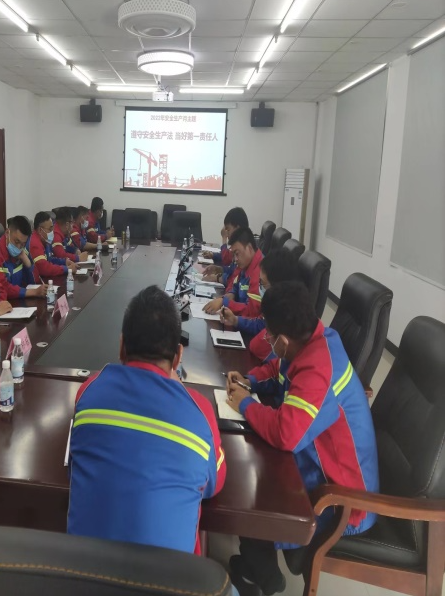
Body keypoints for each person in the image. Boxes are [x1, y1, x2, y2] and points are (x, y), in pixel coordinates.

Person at [224, 282, 378, 595]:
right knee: (254, 466)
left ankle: (264, 576)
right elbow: (278, 369)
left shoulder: (320, 367)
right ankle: (257, 565)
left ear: (282, 340)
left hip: (345, 501)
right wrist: (250, 381)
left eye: (269, 335)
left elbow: (286, 434)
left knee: (251, 490)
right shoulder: (311, 340)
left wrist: (245, 404)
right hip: (318, 465)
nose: (267, 340)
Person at [68, 285, 226, 555]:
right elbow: (214, 483)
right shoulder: (199, 410)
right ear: (178, 356)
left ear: (121, 346)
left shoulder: (89, 391)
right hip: (169, 577)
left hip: (84, 572)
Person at [220, 248, 298, 362]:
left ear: (278, 286)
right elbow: (261, 323)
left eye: (262, 284)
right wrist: (235, 320)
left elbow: (257, 347)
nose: (259, 288)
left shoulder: (285, 327)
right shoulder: (278, 308)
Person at [203, 227, 262, 316]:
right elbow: (236, 285)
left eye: (237, 254)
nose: (235, 259)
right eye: (233, 255)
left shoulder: (260, 272)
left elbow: (252, 312)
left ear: (249, 248)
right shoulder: (246, 263)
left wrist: (225, 302)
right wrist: (229, 295)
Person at [0, 215, 48, 300]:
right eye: (16, 241)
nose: (18, 247)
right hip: (4, 302)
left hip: (19, 300)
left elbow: (34, 281)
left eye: (23, 244)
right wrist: (33, 292)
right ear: (7, 233)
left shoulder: (22, 251)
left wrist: (28, 264)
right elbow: (3, 287)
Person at [28, 211, 77, 279]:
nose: (52, 232)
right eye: (50, 229)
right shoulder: (34, 243)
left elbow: (49, 259)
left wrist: (64, 262)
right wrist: (66, 269)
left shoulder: (44, 240)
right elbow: (44, 268)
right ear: (40, 230)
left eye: (52, 228)